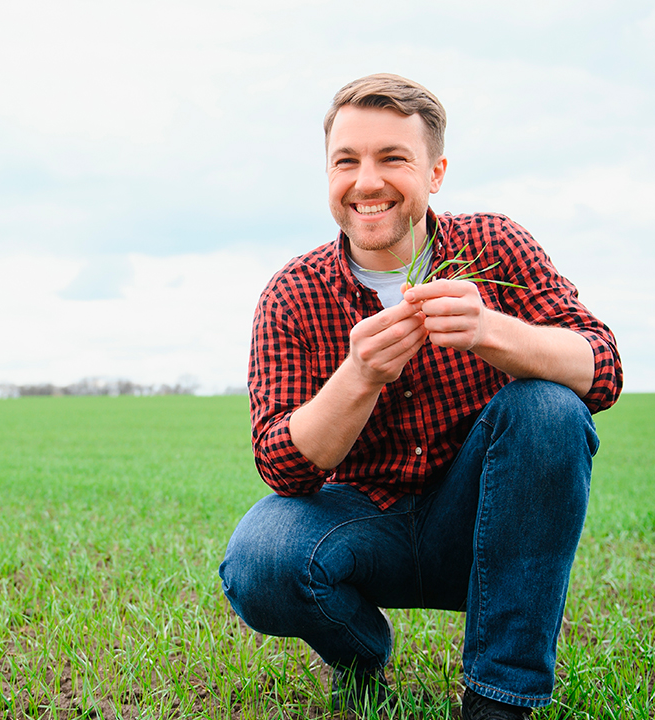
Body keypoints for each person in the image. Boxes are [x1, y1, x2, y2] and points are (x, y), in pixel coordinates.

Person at [218, 73, 623, 719]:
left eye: (393, 158)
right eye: (346, 161)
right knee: (261, 560)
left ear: (434, 172)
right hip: (360, 523)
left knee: (548, 408)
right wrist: (358, 375)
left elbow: (601, 368)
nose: (367, 181)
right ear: (327, 174)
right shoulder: (292, 292)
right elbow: (282, 465)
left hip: (485, 523)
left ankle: (498, 702)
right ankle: (361, 654)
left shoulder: (494, 245)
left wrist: (493, 332)